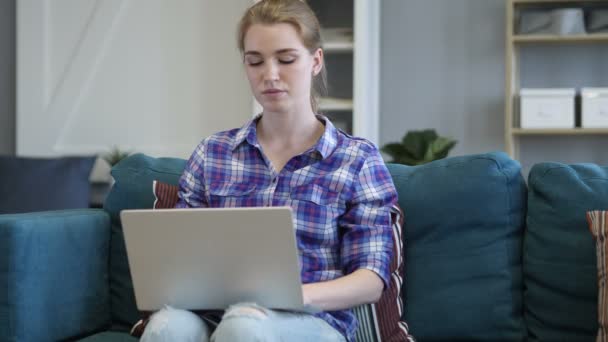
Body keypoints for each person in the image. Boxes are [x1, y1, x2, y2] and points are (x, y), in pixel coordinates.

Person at [140, 0, 397, 341]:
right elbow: (183, 263)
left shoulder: (357, 159)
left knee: (244, 325)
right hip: (216, 315)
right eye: (255, 61)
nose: (270, 74)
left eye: (286, 59)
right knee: (166, 327)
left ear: (315, 61)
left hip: (313, 321)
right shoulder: (211, 154)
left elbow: (370, 279)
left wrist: (295, 296)